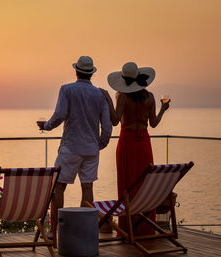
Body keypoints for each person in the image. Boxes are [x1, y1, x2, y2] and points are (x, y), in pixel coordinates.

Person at [37, 56, 112, 238]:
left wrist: (45, 126)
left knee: (59, 188)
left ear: (76, 71)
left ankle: (55, 232)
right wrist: (99, 144)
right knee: (87, 188)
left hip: (70, 147)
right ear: (91, 74)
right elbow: (107, 126)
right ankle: (85, 232)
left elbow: (60, 114)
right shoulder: (99, 95)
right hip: (91, 150)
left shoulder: (67, 90)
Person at [101, 62, 170, 235]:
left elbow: (115, 120)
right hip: (145, 144)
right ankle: (145, 228)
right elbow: (153, 123)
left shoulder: (122, 96)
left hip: (127, 143)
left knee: (127, 184)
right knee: (144, 184)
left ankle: (128, 229)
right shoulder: (150, 96)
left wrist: (109, 99)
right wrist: (163, 109)